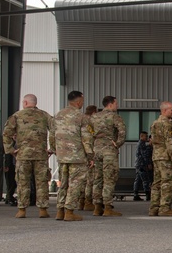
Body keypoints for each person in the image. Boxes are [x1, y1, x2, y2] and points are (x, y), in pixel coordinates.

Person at [3, 93, 54, 219]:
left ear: (25, 103)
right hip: (41, 155)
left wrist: (11, 150)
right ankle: (43, 210)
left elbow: (7, 133)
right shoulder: (44, 115)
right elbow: (55, 131)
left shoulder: (17, 116)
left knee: (22, 183)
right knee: (41, 183)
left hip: (23, 155)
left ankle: (22, 210)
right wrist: (51, 148)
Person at [53, 90, 94, 221]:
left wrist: (56, 150)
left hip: (62, 155)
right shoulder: (82, 117)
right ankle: (69, 211)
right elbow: (86, 138)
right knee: (75, 183)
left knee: (63, 183)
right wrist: (90, 156)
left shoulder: (58, 115)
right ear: (79, 101)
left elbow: (52, 136)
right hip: (77, 156)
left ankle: (60, 210)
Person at [91, 95, 127, 217]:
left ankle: (97, 207)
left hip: (96, 149)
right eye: (116, 103)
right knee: (109, 178)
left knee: (97, 178)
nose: (117, 106)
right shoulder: (114, 117)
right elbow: (122, 132)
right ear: (110, 104)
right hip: (109, 150)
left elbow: (88, 133)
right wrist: (117, 144)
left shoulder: (94, 117)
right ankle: (107, 207)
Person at [149, 101, 172, 216]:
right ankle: (164, 208)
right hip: (166, 156)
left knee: (156, 183)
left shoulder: (154, 123)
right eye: (171, 109)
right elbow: (169, 142)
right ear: (164, 110)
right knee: (168, 182)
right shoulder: (167, 124)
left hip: (156, 156)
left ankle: (153, 208)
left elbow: (152, 141)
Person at [81, 104, 98, 210]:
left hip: (79, 153)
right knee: (90, 179)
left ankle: (81, 201)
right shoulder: (89, 122)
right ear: (93, 112)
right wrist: (91, 156)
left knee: (82, 180)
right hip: (88, 152)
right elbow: (89, 139)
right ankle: (88, 202)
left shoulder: (80, 120)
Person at [133, 131, 153, 201]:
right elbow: (144, 155)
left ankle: (135, 194)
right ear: (141, 136)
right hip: (142, 165)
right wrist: (148, 163)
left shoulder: (140, 143)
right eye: (146, 136)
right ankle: (147, 194)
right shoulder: (142, 144)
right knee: (145, 180)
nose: (147, 138)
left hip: (138, 164)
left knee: (138, 179)